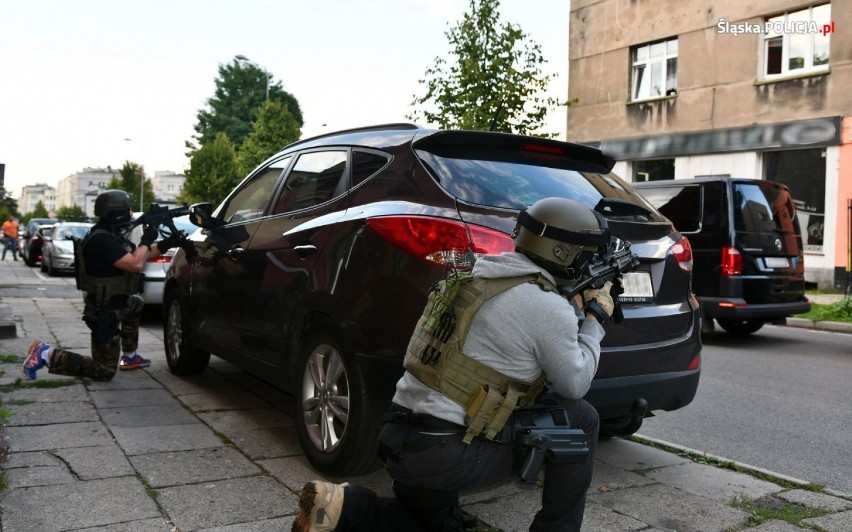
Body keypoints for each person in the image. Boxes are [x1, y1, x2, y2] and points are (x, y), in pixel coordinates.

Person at [292, 197, 617, 532]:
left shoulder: (475, 276)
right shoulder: (548, 308)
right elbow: (574, 384)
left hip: (400, 440)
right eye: (586, 255)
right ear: (563, 254)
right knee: (581, 417)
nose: (588, 263)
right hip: (446, 455)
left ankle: (344, 506)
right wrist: (596, 317)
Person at [22, 189, 183, 381]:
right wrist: (147, 238)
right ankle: (45, 354)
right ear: (116, 213)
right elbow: (135, 264)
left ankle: (130, 356)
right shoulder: (102, 240)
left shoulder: (111, 235)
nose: (131, 214)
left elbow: (138, 254)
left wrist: (167, 243)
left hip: (117, 303)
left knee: (136, 303)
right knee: (103, 371)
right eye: (127, 210)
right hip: (103, 311)